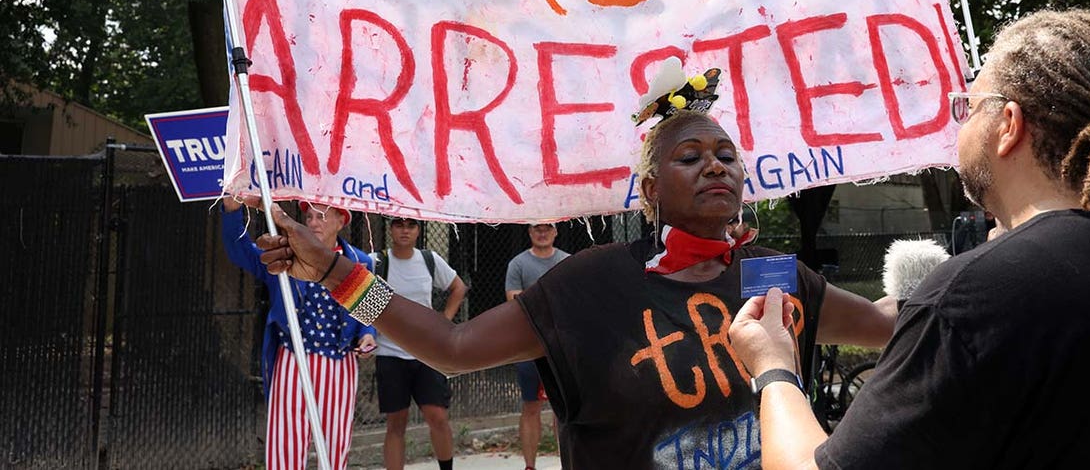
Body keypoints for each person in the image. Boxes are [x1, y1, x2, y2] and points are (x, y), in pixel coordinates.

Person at [254, 107, 896, 468]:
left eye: (726, 154)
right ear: (650, 192)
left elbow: (891, 327)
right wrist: (339, 275)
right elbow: (449, 348)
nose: (715, 165)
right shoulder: (590, 282)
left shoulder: (778, 278)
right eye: (690, 155)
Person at [730, 9, 1090, 469]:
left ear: (1009, 125)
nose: (959, 125)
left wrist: (774, 368)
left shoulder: (979, 296)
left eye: (968, 106)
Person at [220, 197, 377, 470]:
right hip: (293, 359)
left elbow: (369, 313)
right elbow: (239, 250)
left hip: (339, 363)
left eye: (322, 216)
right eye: (310, 217)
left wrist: (367, 334)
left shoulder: (359, 262)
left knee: (336, 444)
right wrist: (232, 210)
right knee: (285, 444)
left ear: (341, 221)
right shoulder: (284, 256)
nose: (314, 222)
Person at [373, 217, 468, 470]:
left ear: (418, 230)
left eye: (411, 225)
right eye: (399, 224)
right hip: (390, 352)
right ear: (390, 229)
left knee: (437, 416)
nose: (405, 230)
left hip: (426, 353)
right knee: (396, 423)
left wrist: (443, 321)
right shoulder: (377, 262)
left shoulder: (429, 259)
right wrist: (369, 331)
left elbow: (458, 287)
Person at [504, 223, 569, 470]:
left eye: (547, 228)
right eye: (537, 228)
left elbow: (573, 300)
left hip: (561, 346)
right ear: (530, 232)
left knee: (562, 408)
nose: (542, 233)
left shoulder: (567, 261)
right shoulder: (518, 264)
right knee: (531, 406)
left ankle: (566, 462)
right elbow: (513, 301)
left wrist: (533, 300)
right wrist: (552, 301)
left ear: (555, 231)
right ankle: (530, 466)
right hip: (528, 346)